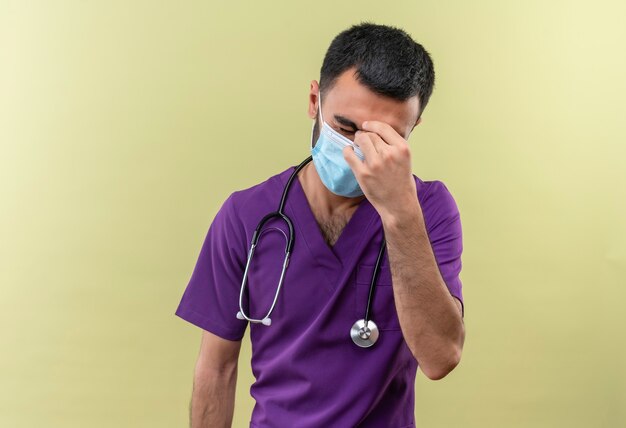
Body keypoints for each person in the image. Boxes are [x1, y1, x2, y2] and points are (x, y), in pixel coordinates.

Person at [174, 21, 465, 428]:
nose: (359, 151)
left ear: (411, 131)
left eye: (383, 139)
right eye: (345, 129)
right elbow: (216, 370)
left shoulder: (429, 210)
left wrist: (399, 215)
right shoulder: (246, 216)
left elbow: (440, 357)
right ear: (315, 100)